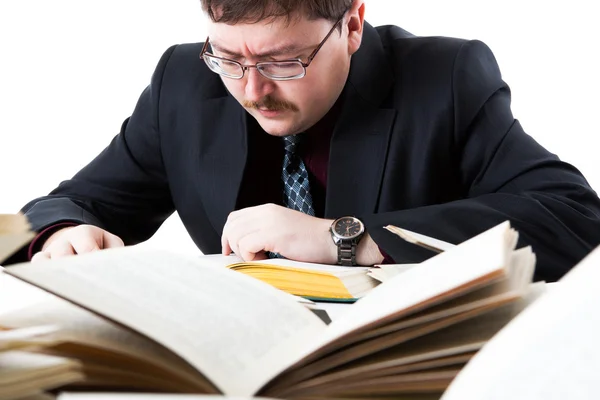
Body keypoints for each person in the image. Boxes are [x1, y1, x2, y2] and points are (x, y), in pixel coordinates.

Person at [6, 0, 600, 281]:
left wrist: (346, 239)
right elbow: (69, 204)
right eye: (229, 58)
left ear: (353, 24)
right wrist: (63, 234)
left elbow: (575, 221)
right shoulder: (184, 82)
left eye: (284, 61)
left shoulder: (445, 77)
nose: (252, 89)